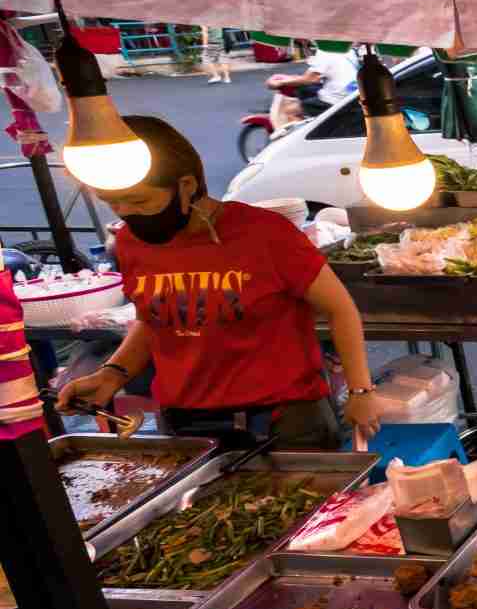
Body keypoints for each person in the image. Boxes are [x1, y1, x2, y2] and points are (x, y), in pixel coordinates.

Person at [55, 116, 381, 446]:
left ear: (186, 185)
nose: (125, 211)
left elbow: (340, 309)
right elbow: (152, 320)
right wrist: (112, 374)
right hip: (185, 423)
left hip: (282, 422)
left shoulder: (264, 233)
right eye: (112, 202)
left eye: (139, 200)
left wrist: (361, 391)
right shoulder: (130, 243)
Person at [274, 45, 359, 118]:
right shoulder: (348, 49)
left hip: (336, 100)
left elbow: (310, 79)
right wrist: (291, 78)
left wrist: (281, 82)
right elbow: (318, 75)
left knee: (288, 111)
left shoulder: (324, 51)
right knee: (305, 90)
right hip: (353, 97)